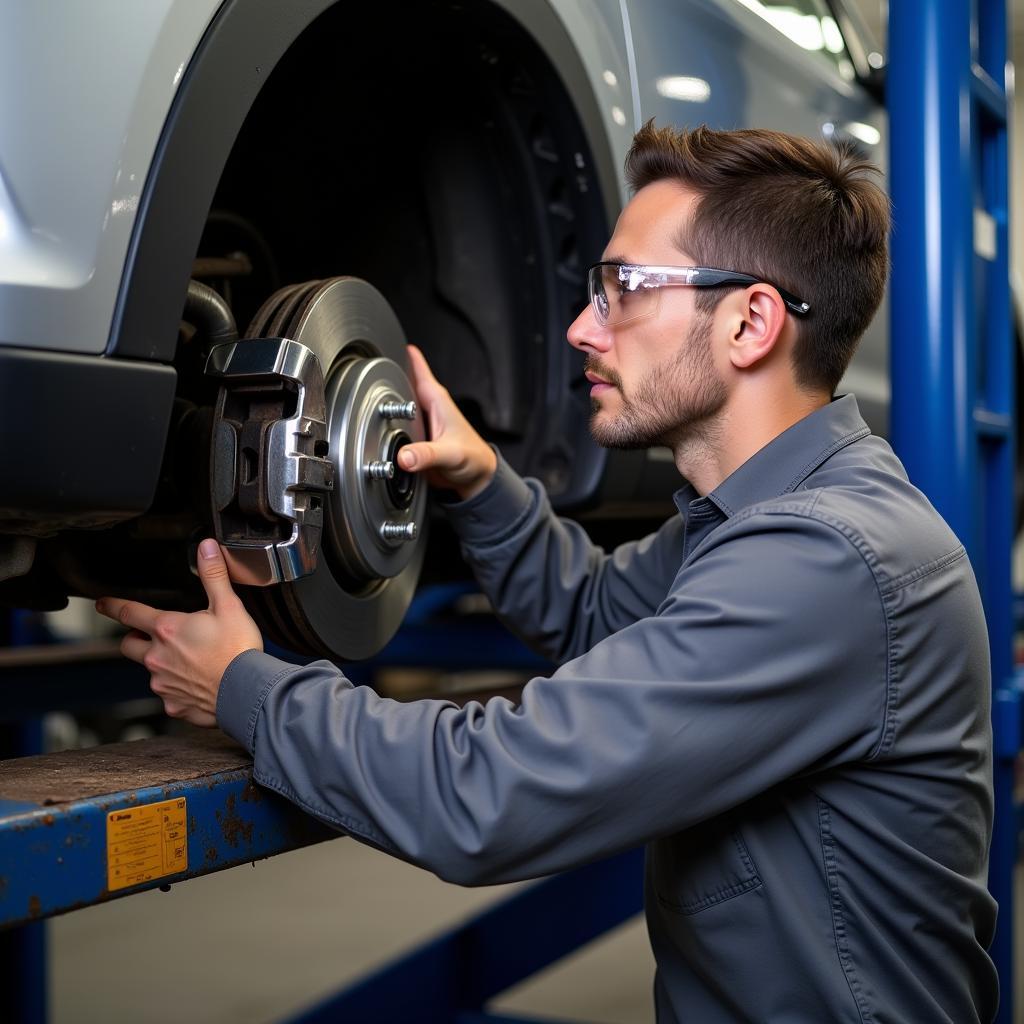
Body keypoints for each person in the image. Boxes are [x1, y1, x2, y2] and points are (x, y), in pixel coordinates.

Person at [97, 123, 998, 1022]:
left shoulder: (826, 562)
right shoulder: (762, 521)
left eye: (622, 291)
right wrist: (482, 481)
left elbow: (487, 794)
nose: (579, 327)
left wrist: (245, 689)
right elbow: (601, 613)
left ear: (750, 322)